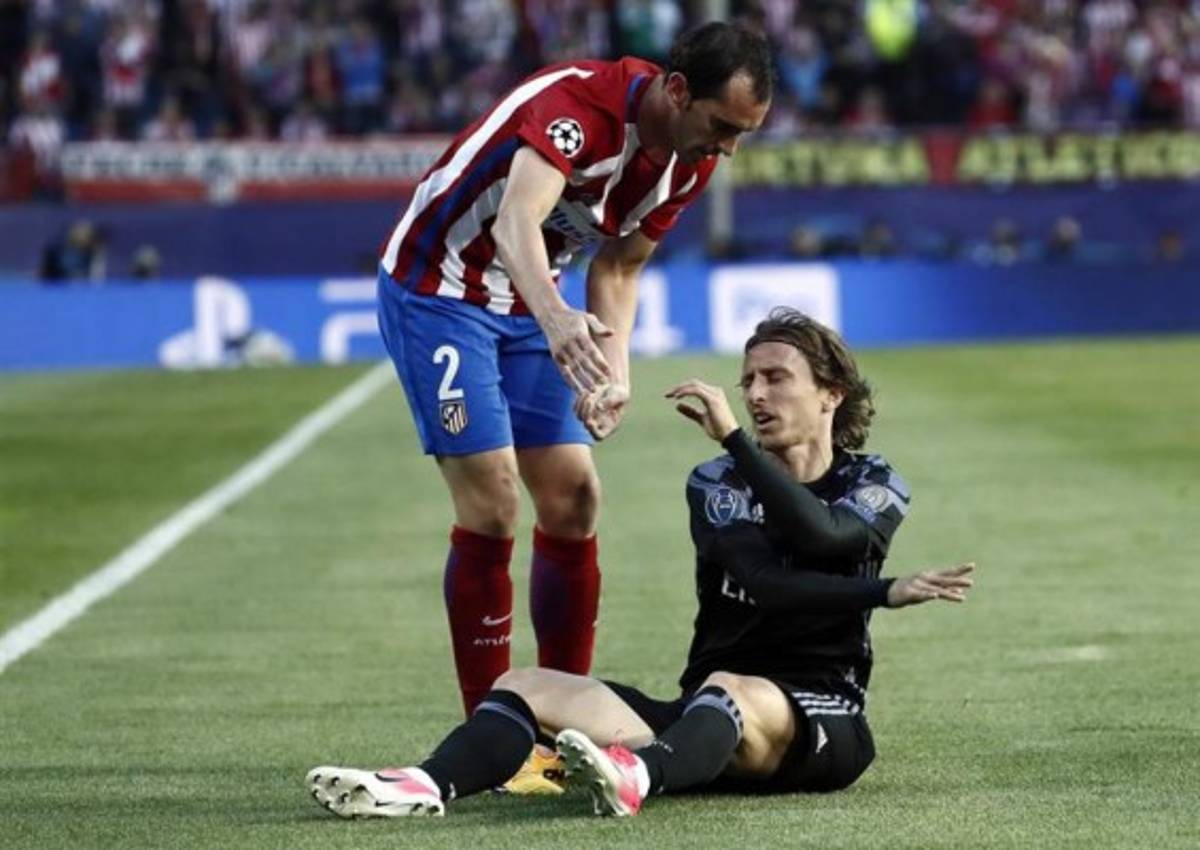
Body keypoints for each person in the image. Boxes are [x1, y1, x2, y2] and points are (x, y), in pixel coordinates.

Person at [309, 308, 975, 818]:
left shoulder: (874, 481)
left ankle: (638, 776)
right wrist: (883, 591)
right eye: (748, 381)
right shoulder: (717, 482)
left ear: (830, 393)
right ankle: (424, 783)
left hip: (821, 717)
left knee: (732, 690)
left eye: (776, 378)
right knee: (527, 683)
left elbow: (826, 536)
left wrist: (740, 445)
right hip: (702, 718)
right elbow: (765, 586)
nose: (756, 394)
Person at [375, 21, 774, 722]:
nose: (729, 148)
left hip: (536, 298)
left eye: (743, 133)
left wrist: (608, 375)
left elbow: (620, 266)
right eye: (722, 125)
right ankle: (491, 732)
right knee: (494, 502)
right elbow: (514, 224)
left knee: (574, 497)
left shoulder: (691, 158)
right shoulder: (579, 110)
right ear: (678, 92)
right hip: (442, 290)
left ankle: (563, 723)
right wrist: (559, 323)